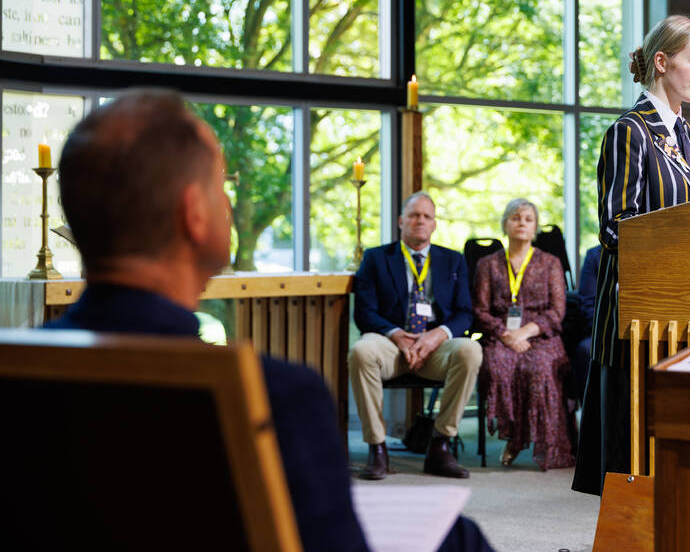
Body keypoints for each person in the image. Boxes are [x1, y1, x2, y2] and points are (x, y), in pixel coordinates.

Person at [45, 90, 491, 552]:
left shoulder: (21, 369)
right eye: (220, 185)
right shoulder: (274, 400)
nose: (229, 203)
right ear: (193, 213)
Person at [572, 15, 690, 496]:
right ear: (662, 61)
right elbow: (616, 227)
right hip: (641, 317)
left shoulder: (689, 136)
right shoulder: (630, 131)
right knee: (635, 455)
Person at [350, 192, 483, 480]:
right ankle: (377, 449)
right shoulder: (376, 258)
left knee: (470, 350)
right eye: (413, 215)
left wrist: (437, 336)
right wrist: (398, 335)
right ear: (401, 221)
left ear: (434, 224)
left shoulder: (453, 260)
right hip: (389, 342)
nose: (420, 220)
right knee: (360, 351)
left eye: (426, 216)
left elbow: (464, 312)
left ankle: (440, 445)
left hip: (436, 346)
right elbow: (364, 312)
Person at [472, 198, 574, 471]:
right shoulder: (488, 264)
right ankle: (514, 437)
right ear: (505, 224)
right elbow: (480, 311)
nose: (521, 223)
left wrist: (524, 334)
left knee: (539, 368)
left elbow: (557, 311)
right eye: (516, 218)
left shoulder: (550, 263)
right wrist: (506, 334)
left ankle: (539, 441)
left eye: (528, 219)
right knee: (498, 366)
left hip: (541, 335)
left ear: (535, 228)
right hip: (500, 334)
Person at [571, 245, 601, 400]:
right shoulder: (595, 255)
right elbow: (588, 303)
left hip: (646, 328)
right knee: (586, 351)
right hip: (603, 330)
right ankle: (592, 419)